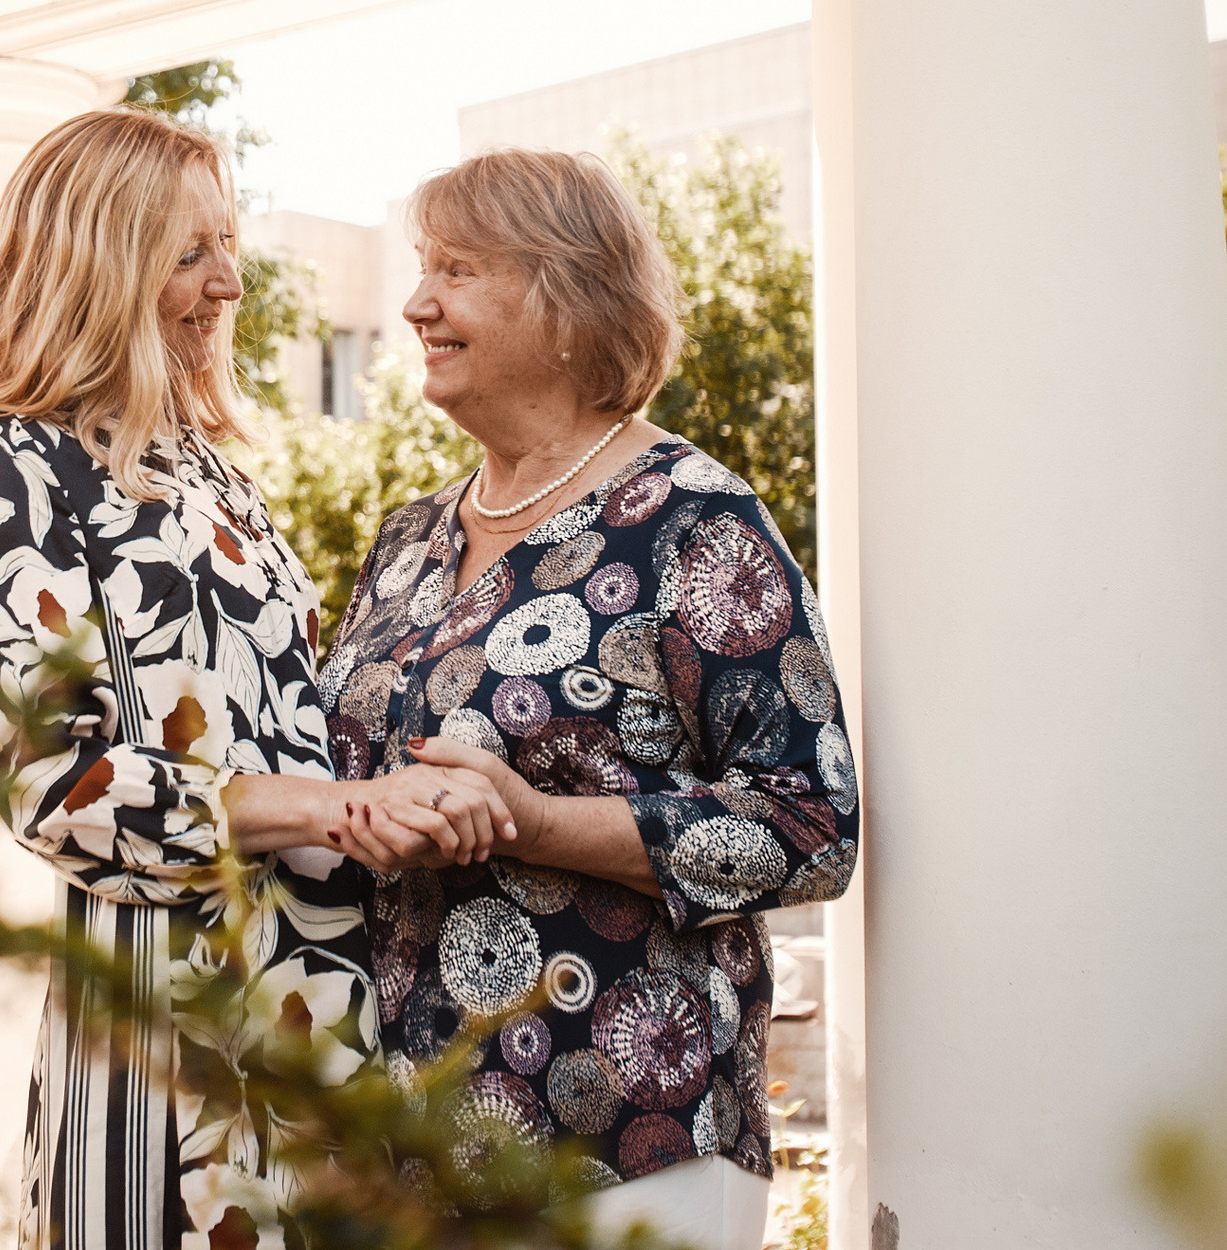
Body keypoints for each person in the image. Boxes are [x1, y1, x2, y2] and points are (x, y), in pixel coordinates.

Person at [0, 110, 506, 1250]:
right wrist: (331, 806)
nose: (228, 282)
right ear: (95, 266)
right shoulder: (13, 461)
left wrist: (418, 785)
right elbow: (51, 784)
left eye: (225, 245)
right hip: (161, 1022)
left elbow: (288, 729)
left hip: (320, 1000)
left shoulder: (211, 468)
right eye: (187, 253)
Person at [323, 148, 856, 1250]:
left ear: (569, 299)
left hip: (624, 1132)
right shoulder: (406, 539)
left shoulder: (692, 521)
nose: (418, 303)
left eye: (457, 269)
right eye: (422, 268)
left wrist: (534, 819)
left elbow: (812, 822)